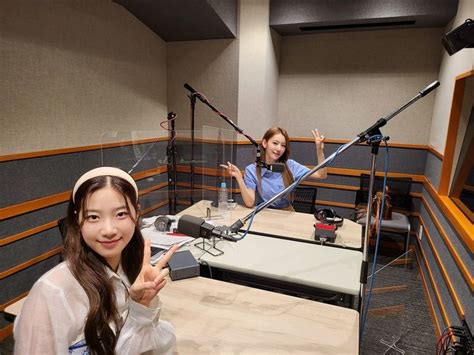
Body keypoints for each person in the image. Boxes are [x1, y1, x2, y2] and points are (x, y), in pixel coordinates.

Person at [14, 167, 179, 355]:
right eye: (93, 217)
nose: (108, 229)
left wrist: (140, 309)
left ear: (137, 213)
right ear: (77, 219)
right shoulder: (52, 293)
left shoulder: (130, 271)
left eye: (120, 214)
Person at [226, 127, 327, 210]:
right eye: (275, 143)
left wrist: (319, 151)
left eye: (283, 145)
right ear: (265, 143)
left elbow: (321, 175)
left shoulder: (290, 166)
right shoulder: (252, 170)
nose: (279, 149)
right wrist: (239, 178)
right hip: (263, 212)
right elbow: (249, 202)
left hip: (287, 213)